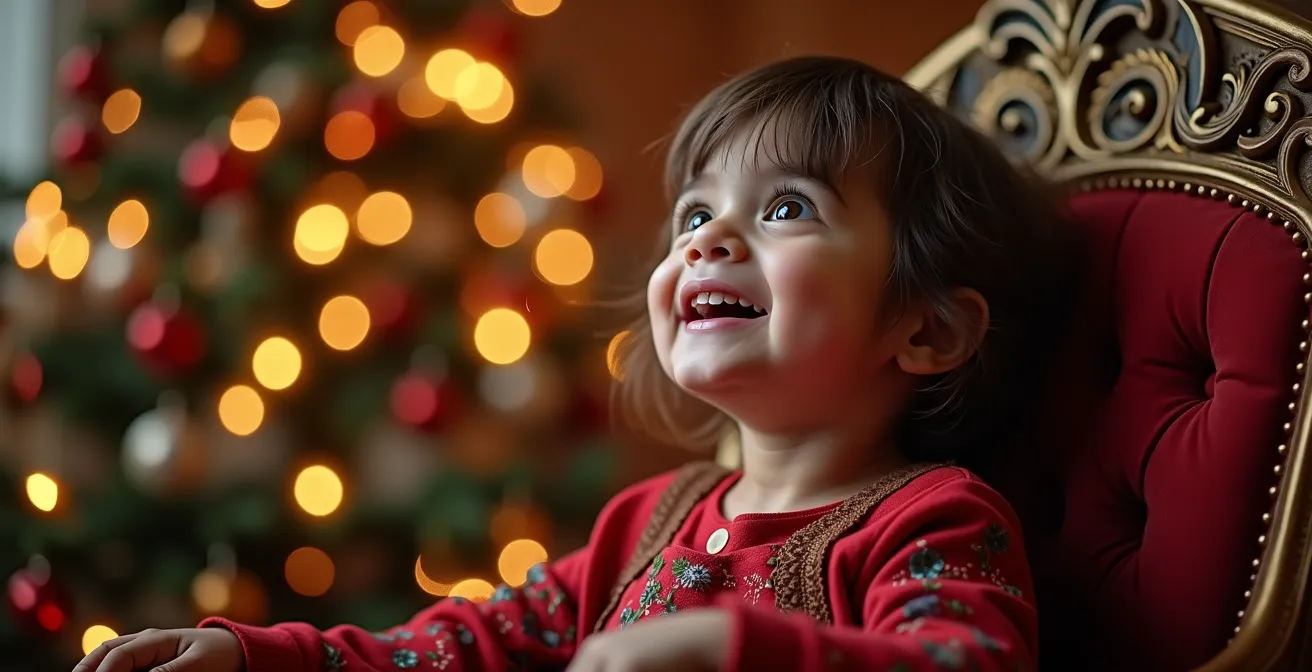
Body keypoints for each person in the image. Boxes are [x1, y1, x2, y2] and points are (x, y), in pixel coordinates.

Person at [74, 55, 1072, 672]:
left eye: (785, 208)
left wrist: (732, 649)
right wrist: (257, 656)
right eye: (694, 214)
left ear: (928, 331)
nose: (707, 240)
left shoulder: (933, 520)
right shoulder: (646, 524)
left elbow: (961, 662)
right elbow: (465, 646)